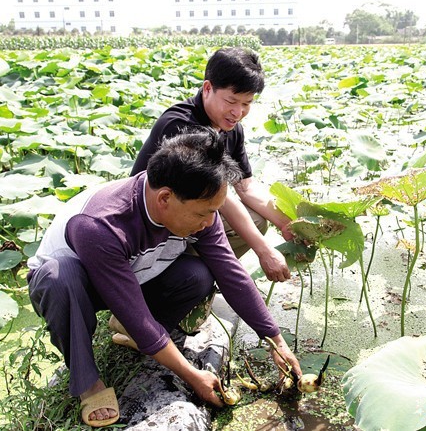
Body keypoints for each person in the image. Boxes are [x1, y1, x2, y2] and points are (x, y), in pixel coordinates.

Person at [27, 128, 301, 428]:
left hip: (134, 273)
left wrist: (276, 341)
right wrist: (193, 376)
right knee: (59, 277)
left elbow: (232, 275)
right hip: (80, 283)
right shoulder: (99, 225)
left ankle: (134, 335)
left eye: (214, 211)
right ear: (165, 198)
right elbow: (135, 312)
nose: (210, 222)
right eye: (203, 214)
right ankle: (87, 382)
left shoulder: (194, 203)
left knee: (198, 274)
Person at [131, 46, 293, 282]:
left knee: (257, 221)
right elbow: (221, 198)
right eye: (231, 101)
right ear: (208, 88)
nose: (238, 112)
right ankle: (168, 283)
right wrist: (264, 249)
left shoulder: (231, 128)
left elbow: (245, 187)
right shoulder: (181, 125)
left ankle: (197, 279)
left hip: (188, 215)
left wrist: (286, 222)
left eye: (246, 104)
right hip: (150, 226)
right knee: (203, 268)